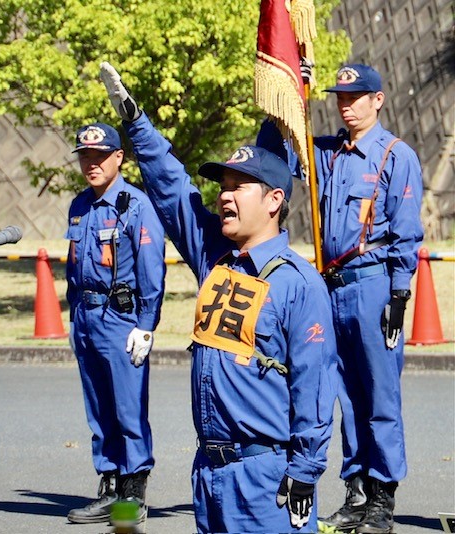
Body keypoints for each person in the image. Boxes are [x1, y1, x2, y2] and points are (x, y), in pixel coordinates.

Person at [100, 61, 338, 533]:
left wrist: (305, 472)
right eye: (223, 187)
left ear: (274, 200)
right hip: (208, 477)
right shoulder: (217, 258)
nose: (225, 197)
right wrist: (135, 122)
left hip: (267, 483)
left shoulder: (298, 283)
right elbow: (173, 191)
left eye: (239, 187)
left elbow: (314, 388)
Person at [258, 64, 424, 534]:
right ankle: (354, 492)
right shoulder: (325, 152)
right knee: (343, 394)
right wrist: (293, 95)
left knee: (379, 394)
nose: (346, 105)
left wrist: (399, 294)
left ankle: (382, 498)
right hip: (329, 286)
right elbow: (274, 158)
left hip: (373, 285)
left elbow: (406, 233)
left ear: (379, 99)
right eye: (340, 97)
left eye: (356, 96)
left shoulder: (396, 155)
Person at [65, 121, 166, 525]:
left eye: (100, 155)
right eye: (85, 156)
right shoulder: (79, 206)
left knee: (127, 408)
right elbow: (72, 265)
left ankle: (133, 491)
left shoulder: (136, 205)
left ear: (118, 158)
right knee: (98, 409)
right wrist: (74, 313)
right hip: (86, 317)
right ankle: (108, 485)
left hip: (120, 319)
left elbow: (150, 270)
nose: (92, 164)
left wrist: (146, 324)